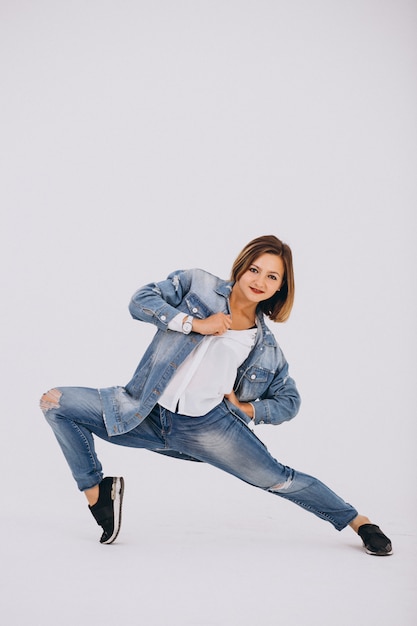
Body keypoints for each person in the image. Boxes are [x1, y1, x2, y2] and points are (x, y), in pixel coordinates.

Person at [40, 235, 392, 555]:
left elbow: (289, 401)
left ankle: (358, 521)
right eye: (255, 269)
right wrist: (194, 324)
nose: (259, 281)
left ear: (281, 287)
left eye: (272, 277)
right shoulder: (198, 285)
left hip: (209, 429)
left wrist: (249, 409)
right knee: (56, 403)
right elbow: (140, 300)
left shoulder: (264, 346)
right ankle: (99, 496)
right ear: (241, 267)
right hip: (143, 411)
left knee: (279, 478)